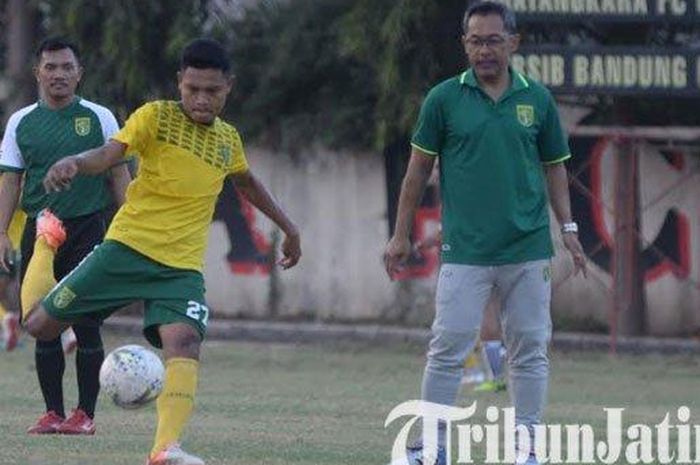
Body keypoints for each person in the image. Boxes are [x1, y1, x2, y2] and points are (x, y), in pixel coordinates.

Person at [23, 38, 301, 465]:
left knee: (185, 340)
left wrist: (288, 227)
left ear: (229, 86)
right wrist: (77, 162)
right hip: (125, 249)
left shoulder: (228, 140)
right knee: (40, 325)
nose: (201, 99)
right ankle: (47, 242)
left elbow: (246, 183)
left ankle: (164, 449)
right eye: (192, 89)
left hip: (180, 268)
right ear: (179, 83)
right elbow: (109, 154)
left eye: (212, 90)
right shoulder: (155, 117)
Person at [383, 3, 587, 464]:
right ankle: (431, 449)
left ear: (513, 43)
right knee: (447, 348)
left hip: (528, 249)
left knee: (530, 351)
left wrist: (568, 228)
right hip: (465, 252)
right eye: (475, 41)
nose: (484, 50)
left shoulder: (537, 100)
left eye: (494, 40)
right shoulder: (443, 99)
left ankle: (528, 450)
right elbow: (417, 172)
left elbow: (556, 168)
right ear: (464, 45)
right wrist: (399, 235)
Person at [0, 37, 130, 435]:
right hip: (40, 235)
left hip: (88, 230)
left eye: (66, 67)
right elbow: (10, 179)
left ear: (79, 73)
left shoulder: (99, 118)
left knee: (87, 323)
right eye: (51, 67)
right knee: (40, 323)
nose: (59, 74)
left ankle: (84, 416)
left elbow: (119, 176)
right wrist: (2, 233)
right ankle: (53, 413)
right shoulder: (21, 122)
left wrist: (130, 231)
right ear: (38, 72)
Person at [0, 204, 25, 351]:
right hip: (18, 248)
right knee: (11, 294)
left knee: (7, 294)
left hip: (3, 247)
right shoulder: (20, 187)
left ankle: (6, 320)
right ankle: (12, 329)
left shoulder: (7, 185)